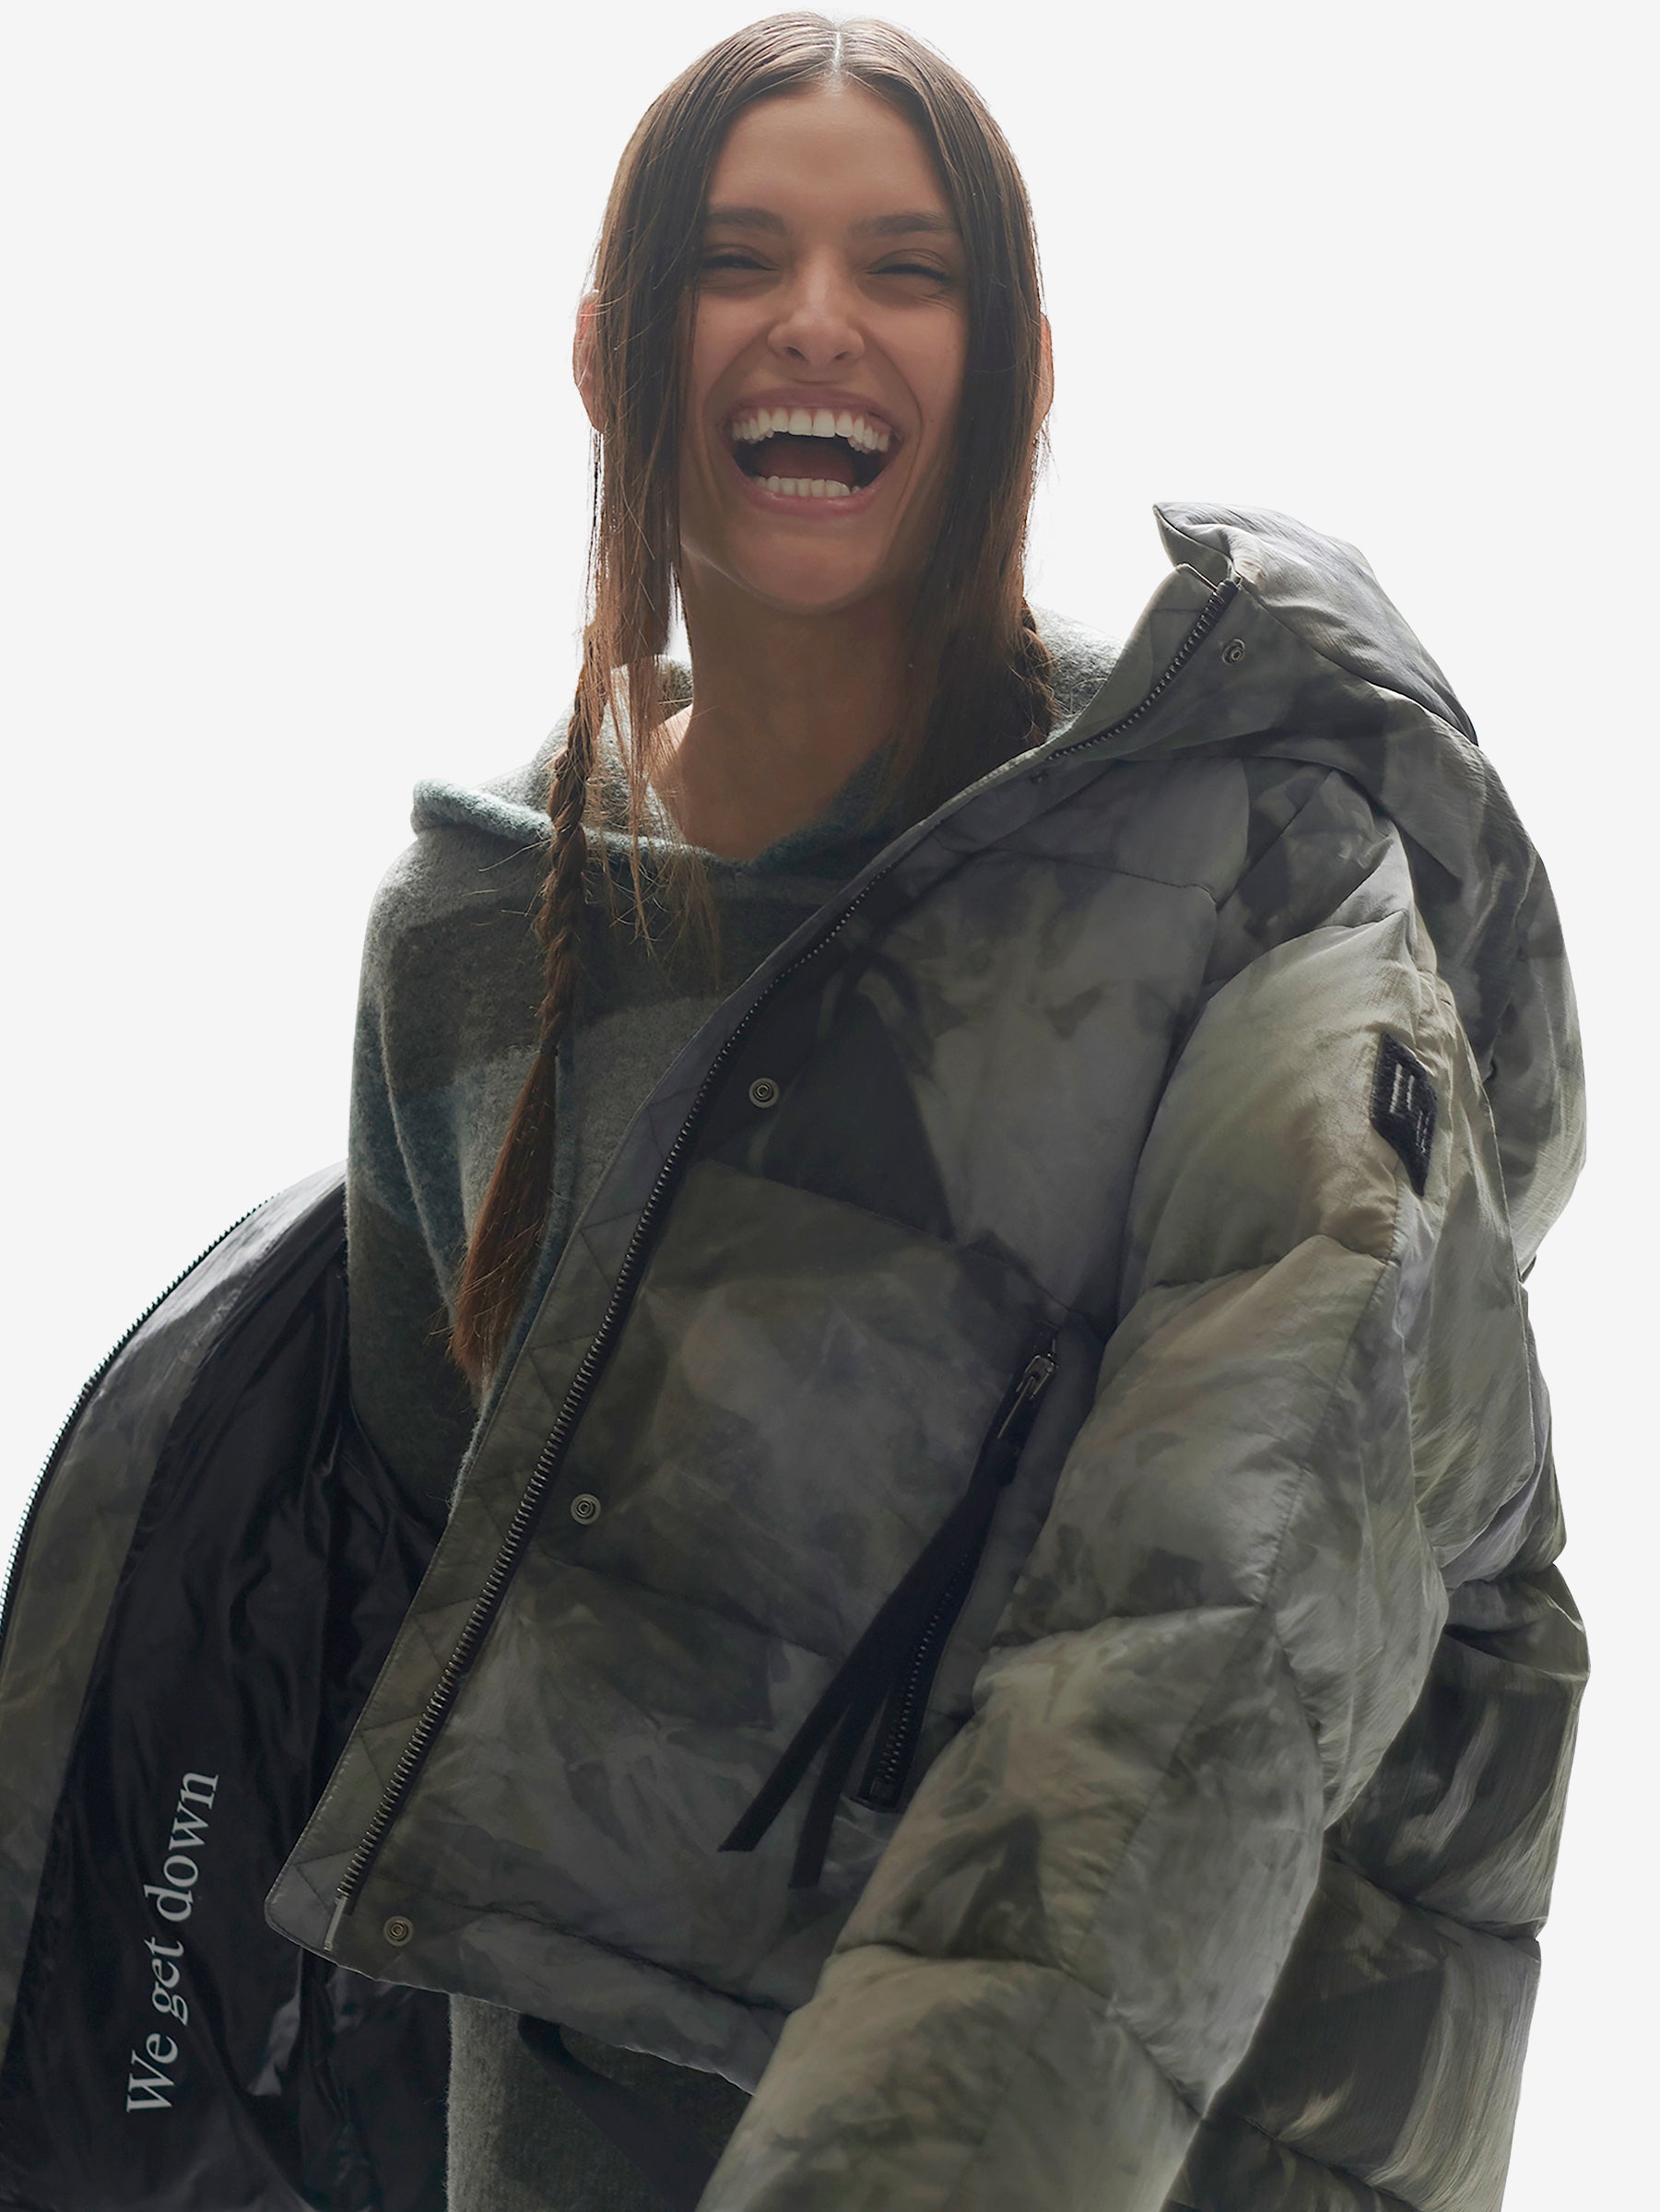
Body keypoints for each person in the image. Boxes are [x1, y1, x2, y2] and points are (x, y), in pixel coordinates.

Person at [265, 12, 1588, 2210]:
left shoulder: (1195, 869)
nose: (816, 321)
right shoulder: (467, 930)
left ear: (1020, 371)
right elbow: (431, 1569)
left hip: (1066, 2114)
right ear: (605, 350)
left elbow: (1293, 1539)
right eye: (733, 259)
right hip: (565, 2125)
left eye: (906, 269)